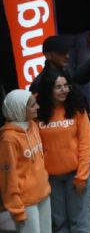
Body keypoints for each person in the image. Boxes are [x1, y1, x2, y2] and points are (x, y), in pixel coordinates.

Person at [33, 69, 90, 233]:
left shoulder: (77, 106)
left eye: (66, 86)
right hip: (50, 178)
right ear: (48, 89)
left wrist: (82, 176)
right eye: (58, 87)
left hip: (76, 175)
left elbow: (86, 144)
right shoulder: (36, 109)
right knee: (59, 226)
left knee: (80, 225)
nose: (64, 90)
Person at [0, 90, 51, 233]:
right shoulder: (8, 138)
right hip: (25, 202)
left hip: (43, 193)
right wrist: (16, 208)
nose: (38, 107)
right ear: (20, 109)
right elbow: (7, 177)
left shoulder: (33, 125)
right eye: (32, 105)